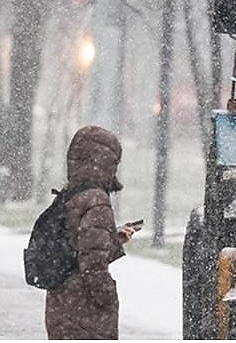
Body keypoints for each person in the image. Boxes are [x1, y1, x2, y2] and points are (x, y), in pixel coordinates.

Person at [45, 125, 136, 340]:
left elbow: (75, 247)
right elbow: (92, 263)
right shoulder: (97, 202)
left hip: (61, 304)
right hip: (85, 312)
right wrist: (107, 296)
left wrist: (114, 240)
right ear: (105, 162)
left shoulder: (69, 194)